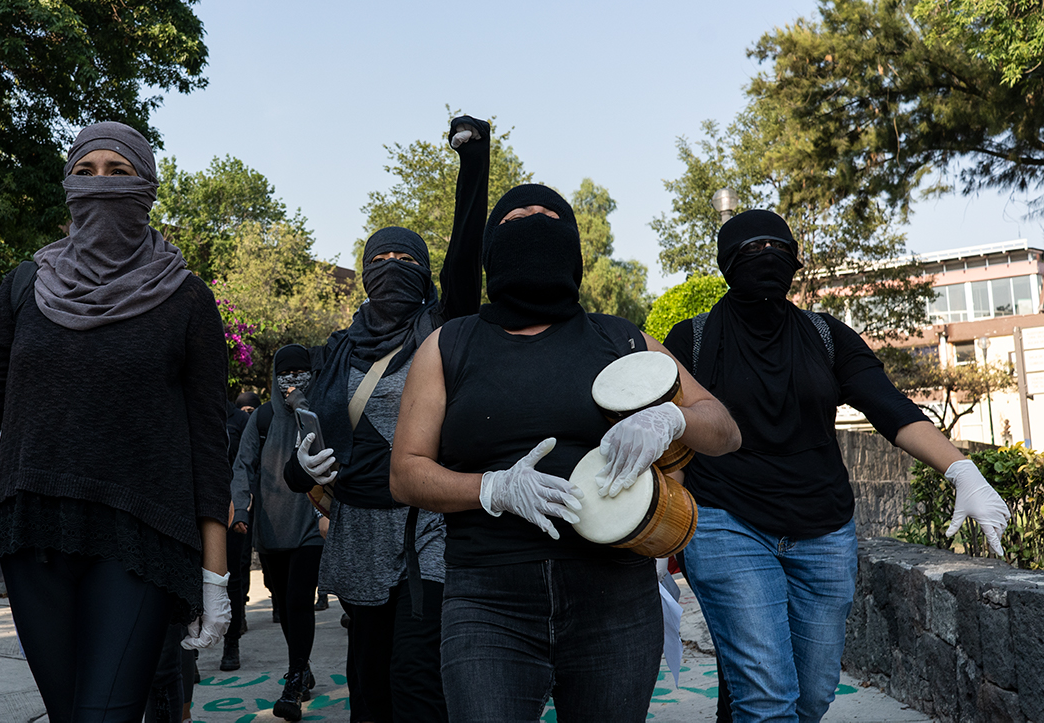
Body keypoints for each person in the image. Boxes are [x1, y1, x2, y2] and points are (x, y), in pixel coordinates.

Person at [0, 121, 232, 722]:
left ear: (148, 186)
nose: (100, 184)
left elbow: (209, 444)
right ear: (68, 186)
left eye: (118, 172)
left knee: (106, 714)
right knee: (69, 713)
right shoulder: (24, 287)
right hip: (33, 532)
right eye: (85, 171)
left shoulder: (187, 298)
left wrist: (215, 574)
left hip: (141, 537)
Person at [389, 183, 741, 723]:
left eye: (550, 216)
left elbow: (724, 429)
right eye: (516, 218)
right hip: (488, 602)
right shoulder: (448, 345)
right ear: (489, 252)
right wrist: (492, 487)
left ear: (574, 248)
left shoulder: (622, 340)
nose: (534, 221)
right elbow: (406, 474)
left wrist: (673, 418)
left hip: (616, 599)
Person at [662, 209, 1011, 723]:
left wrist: (962, 471)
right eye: (750, 250)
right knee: (767, 698)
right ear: (726, 264)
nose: (766, 259)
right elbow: (671, 441)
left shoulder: (826, 336)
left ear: (795, 262)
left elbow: (889, 406)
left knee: (813, 696)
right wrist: (661, 528)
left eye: (778, 249)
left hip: (824, 532)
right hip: (725, 524)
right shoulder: (690, 340)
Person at [283, 116, 490, 723]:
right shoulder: (336, 350)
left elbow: (466, 252)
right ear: (365, 272)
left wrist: (474, 160)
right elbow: (306, 452)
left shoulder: (440, 330)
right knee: (369, 686)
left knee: (418, 682)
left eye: (408, 258)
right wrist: (302, 470)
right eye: (382, 257)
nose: (394, 264)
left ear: (424, 275)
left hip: (429, 530)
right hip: (358, 531)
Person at [230, 345, 325, 721]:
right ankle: (301, 664)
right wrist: (241, 508)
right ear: (275, 376)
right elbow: (243, 465)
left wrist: (303, 405)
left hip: (309, 525)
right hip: (270, 528)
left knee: (300, 601)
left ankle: (294, 679)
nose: (293, 380)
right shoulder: (263, 417)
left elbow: (320, 444)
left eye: (301, 372)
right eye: (286, 374)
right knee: (284, 604)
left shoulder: (316, 409)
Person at [221, 394, 253, 671]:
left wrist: (241, 504)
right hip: (195, 508)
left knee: (233, 577)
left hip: (231, 509)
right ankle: (190, 655)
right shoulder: (193, 411)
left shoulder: (241, 420)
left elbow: (245, 466)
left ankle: (231, 644)